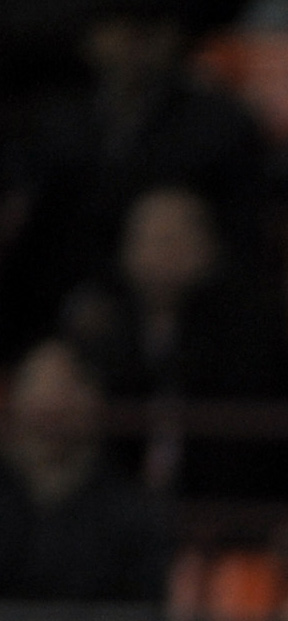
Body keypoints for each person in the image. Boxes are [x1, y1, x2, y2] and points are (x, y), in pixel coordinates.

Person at [0, 0, 271, 359]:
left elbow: (242, 241)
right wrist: (70, 305)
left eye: (150, 27)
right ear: (93, 37)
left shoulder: (220, 125)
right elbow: (40, 239)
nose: (134, 43)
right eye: (121, 27)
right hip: (58, 317)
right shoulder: (54, 125)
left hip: (185, 318)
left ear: (173, 35)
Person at [55, 185, 288, 501]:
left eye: (175, 238)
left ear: (209, 248)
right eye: (151, 239)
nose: (164, 253)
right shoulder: (105, 328)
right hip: (118, 506)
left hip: (223, 498)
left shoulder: (247, 329)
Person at [0, 338, 173, 603]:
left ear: (95, 403)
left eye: (66, 389)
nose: (53, 407)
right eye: (40, 388)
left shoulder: (131, 516)